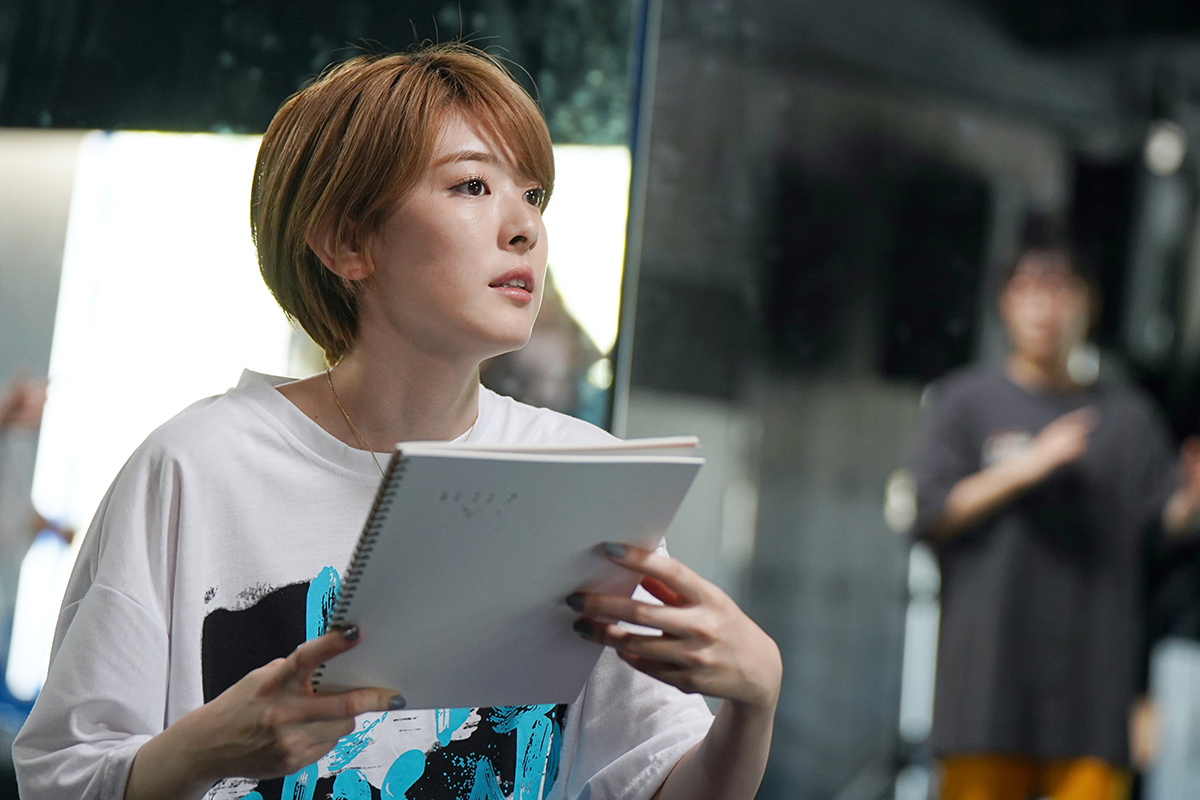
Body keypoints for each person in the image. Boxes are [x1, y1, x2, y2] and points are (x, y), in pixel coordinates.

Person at [10, 43, 781, 800]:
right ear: (347, 241)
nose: (525, 228)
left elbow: (657, 782)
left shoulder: (582, 475)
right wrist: (203, 751)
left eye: (534, 195)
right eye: (472, 185)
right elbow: (61, 777)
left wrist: (755, 700)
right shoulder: (195, 466)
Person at [908, 214, 1200, 800]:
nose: (1045, 306)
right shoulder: (966, 402)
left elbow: (1164, 530)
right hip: (984, 697)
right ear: (1005, 302)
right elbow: (931, 512)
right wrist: (1025, 466)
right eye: (1028, 287)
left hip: (1093, 703)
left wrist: (1192, 498)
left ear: (1089, 302)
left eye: (1062, 287)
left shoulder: (1127, 418)